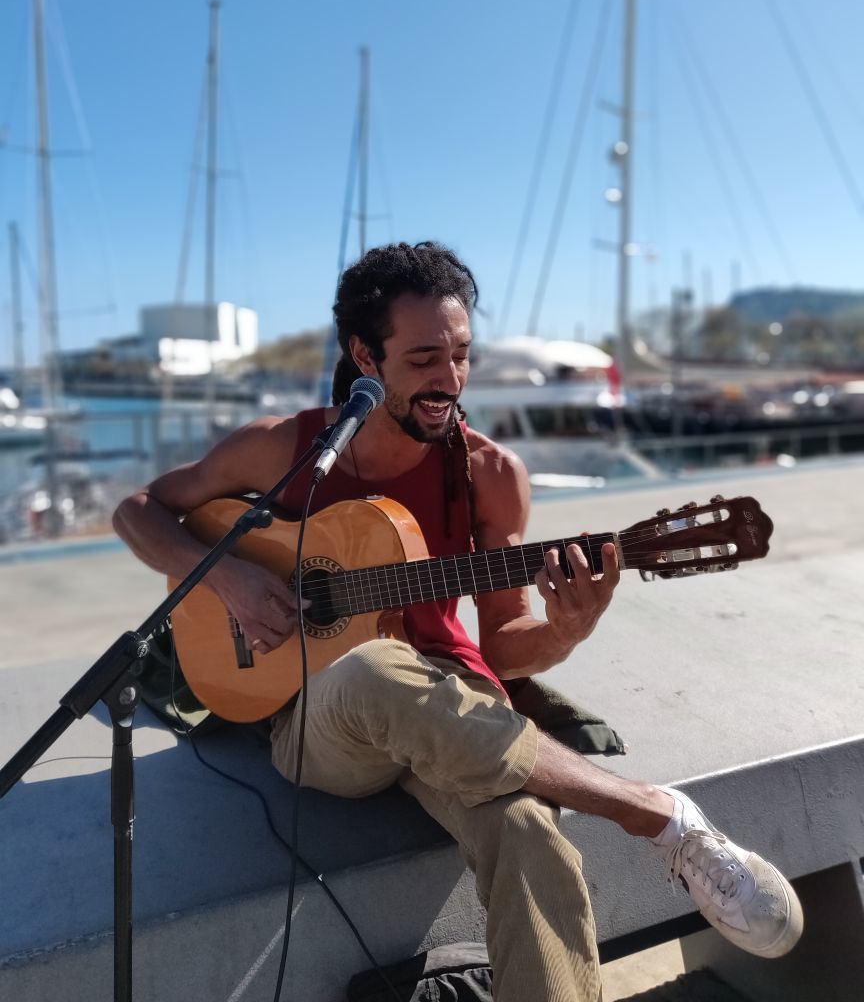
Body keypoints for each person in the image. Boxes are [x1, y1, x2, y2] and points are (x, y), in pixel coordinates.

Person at [113, 241, 803, 1001]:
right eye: (423, 359)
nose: (449, 378)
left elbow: (503, 643)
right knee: (371, 667)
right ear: (364, 356)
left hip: (455, 706)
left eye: (462, 354)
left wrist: (567, 628)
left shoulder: (490, 474)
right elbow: (138, 510)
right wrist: (233, 577)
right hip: (323, 721)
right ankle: (652, 812)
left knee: (531, 835)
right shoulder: (287, 447)